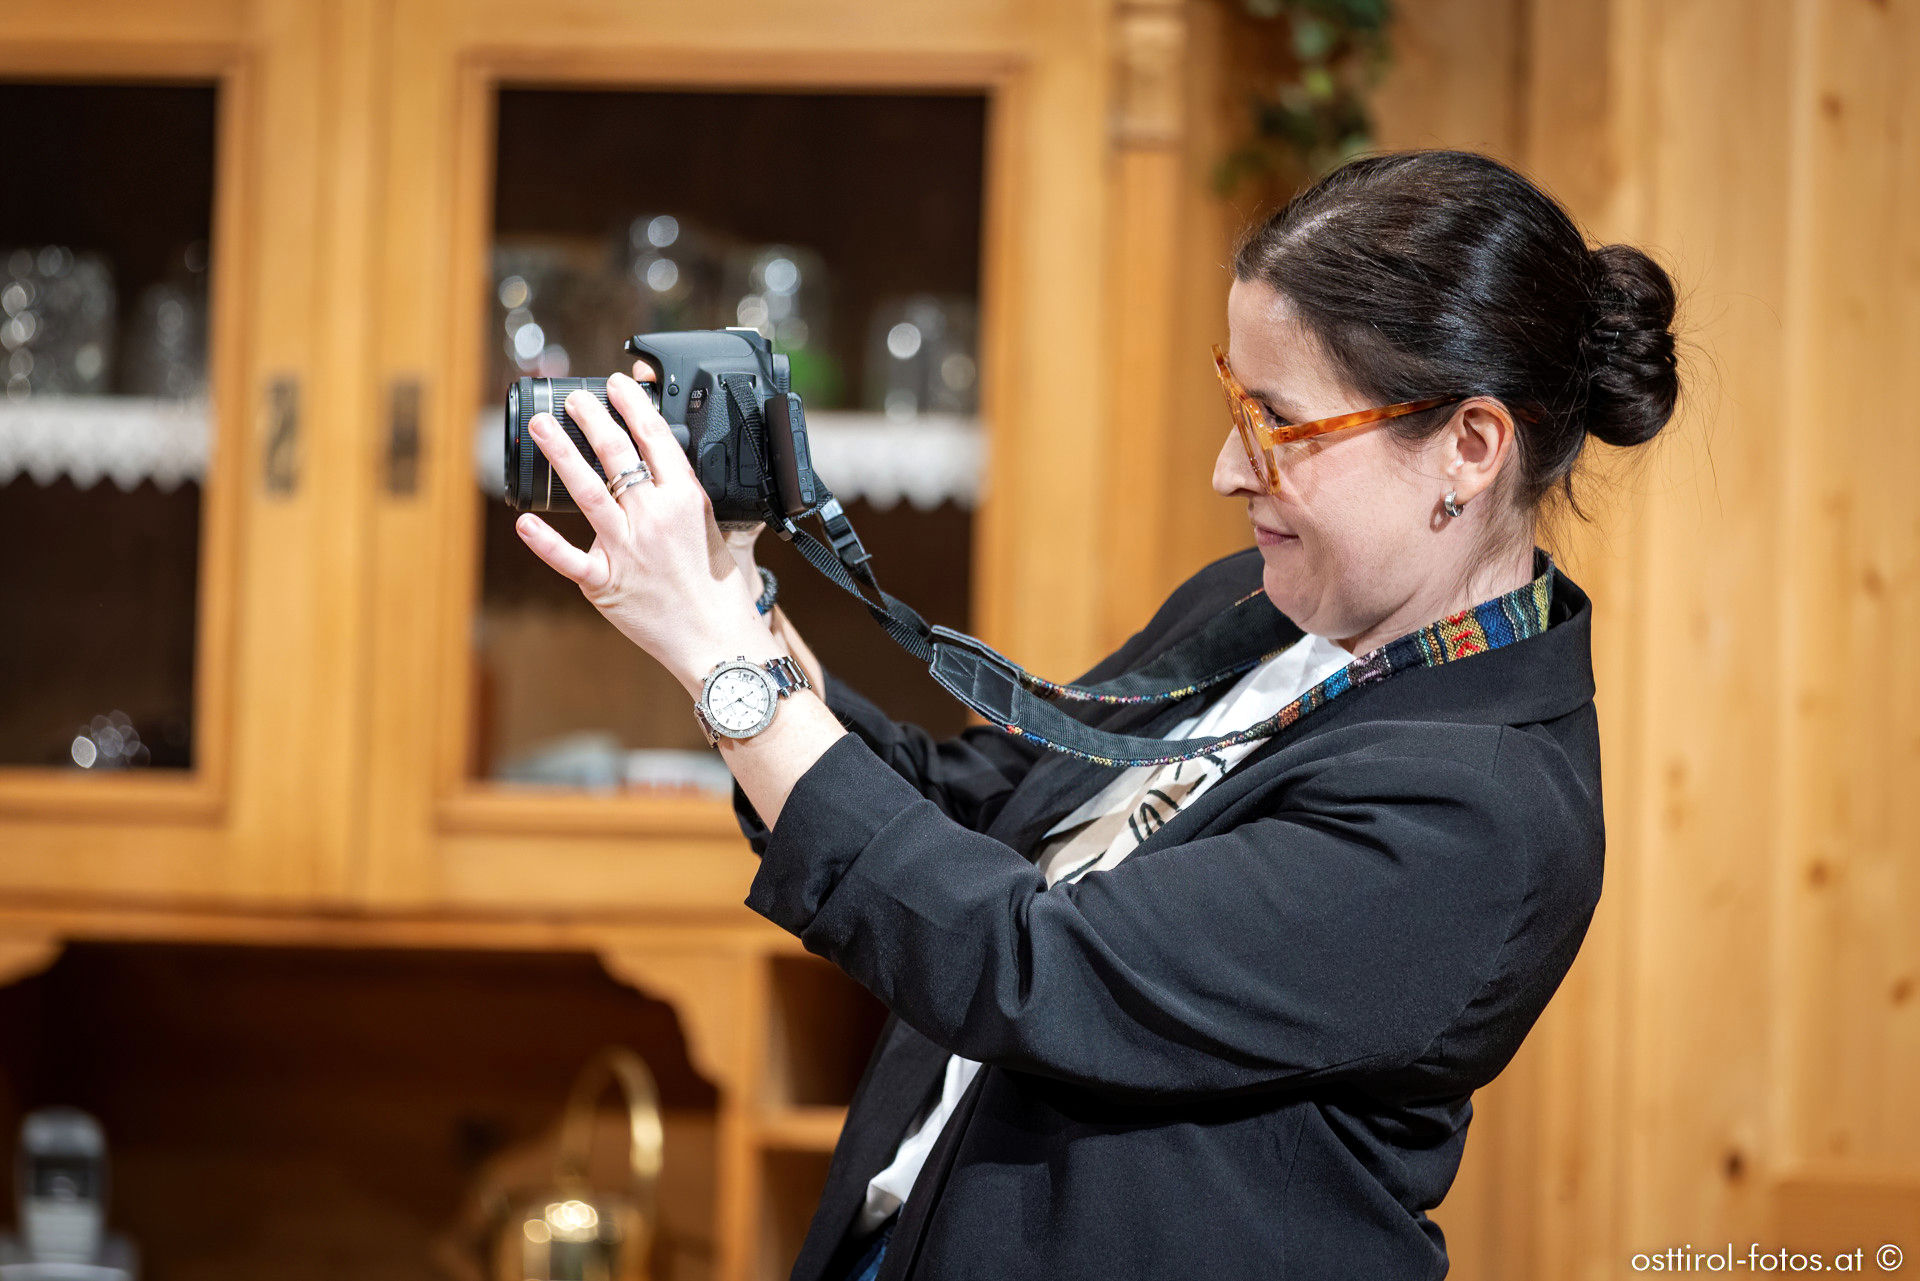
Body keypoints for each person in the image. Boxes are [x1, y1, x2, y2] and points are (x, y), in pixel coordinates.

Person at [511, 148, 1681, 1280]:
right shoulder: (1266, 605)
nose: (1229, 468)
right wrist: (730, 595)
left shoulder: (1483, 813)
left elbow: (1037, 967)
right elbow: (971, 807)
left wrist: (721, 662)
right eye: (1236, 401)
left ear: (1469, 447)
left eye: (1280, 422)